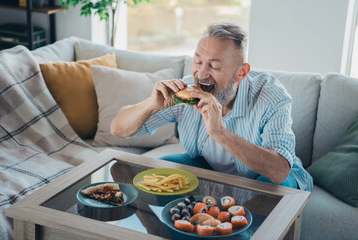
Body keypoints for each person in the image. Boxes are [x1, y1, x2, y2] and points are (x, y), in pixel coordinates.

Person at [110, 22, 313, 191]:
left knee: (269, 193)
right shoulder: (186, 91)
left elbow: (279, 171)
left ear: (241, 73)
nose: (201, 74)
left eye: (214, 66)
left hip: (267, 175)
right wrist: (150, 105)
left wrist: (220, 132)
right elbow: (118, 130)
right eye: (198, 61)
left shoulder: (271, 97)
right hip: (208, 165)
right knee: (154, 177)